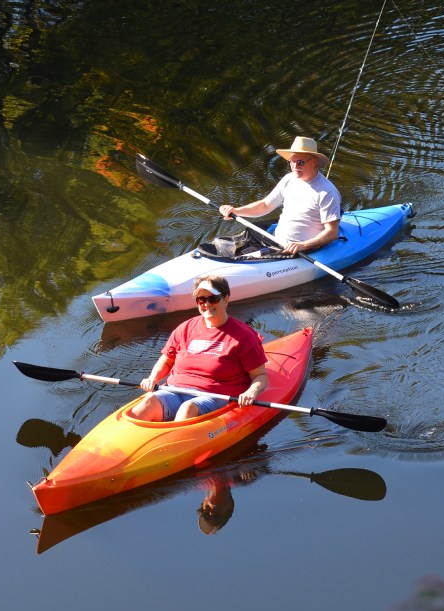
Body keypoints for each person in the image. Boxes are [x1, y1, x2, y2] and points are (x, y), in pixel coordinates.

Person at [129, 275, 268, 422]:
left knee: (188, 409)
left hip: (213, 396)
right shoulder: (185, 328)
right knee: (149, 401)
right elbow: (167, 360)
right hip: (175, 390)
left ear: (226, 298)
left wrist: (252, 392)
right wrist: (153, 378)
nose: (206, 304)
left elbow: (260, 376)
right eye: (201, 299)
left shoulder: (244, 336)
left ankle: (175, 442)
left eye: (213, 298)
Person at [218, 135, 342, 255]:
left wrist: (304, 245)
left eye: (300, 162)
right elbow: (265, 205)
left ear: (314, 161)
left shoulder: (327, 192)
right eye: (291, 162)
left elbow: (332, 232)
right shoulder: (289, 179)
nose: (294, 166)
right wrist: (236, 211)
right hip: (276, 240)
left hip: (303, 249)